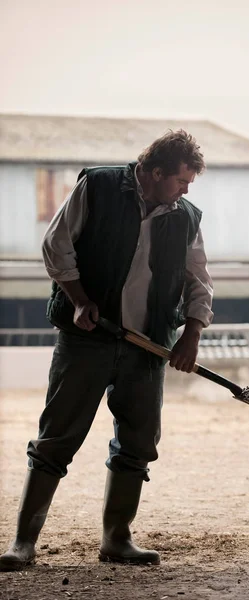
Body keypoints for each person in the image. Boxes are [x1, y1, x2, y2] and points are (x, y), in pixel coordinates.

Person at [0, 130, 214, 571]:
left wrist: (191, 334)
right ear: (156, 173)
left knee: (138, 442)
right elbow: (55, 245)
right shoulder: (97, 187)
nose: (187, 190)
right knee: (56, 438)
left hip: (148, 344)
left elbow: (198, 280)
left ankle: (117, 538)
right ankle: (22, 543)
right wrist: (80, 299)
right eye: (181, 181)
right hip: (87, 340)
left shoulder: (186, 216)